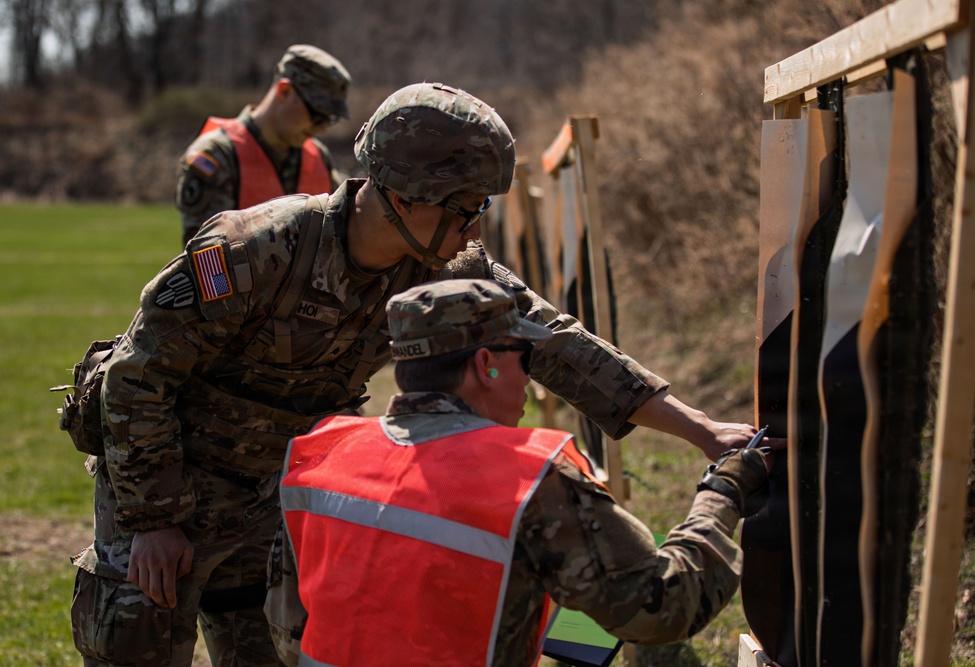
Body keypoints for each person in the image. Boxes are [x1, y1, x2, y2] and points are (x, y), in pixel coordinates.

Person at [69, 82, 765, 667]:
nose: (475, 228)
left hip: (273, 490)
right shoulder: (254, 250)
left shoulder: (447, 263)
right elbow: (138, 379)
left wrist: (702, 431)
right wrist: (154, 520)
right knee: (137, 642)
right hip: (164, 478)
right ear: (404, 196)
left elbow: (558, 345)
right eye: (467, 207)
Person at [271, 278, 772, 666]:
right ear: (486, 365)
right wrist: (723, 490)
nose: (529, 384)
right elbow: (665, 607)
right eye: (525, 359)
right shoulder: (531, 477)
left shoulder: (323, 453)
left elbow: (290, 627)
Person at [175, 44, 351, 246]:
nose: (322, 128)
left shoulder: (319, 156)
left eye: (331, 119)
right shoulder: (217, 155)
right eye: (318, 115)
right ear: (284, 91)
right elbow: (205, 260)